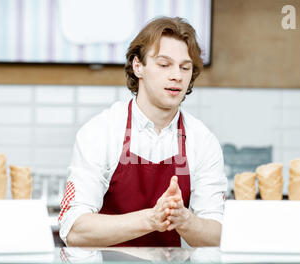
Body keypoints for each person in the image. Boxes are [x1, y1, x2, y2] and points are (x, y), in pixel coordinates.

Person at [58, 16, 227, 247]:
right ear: (138, 66)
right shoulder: (101, 131)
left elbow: (218, 235)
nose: (177, 75)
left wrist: (184, 220)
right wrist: (151, 219)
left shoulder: (202, 140)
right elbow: (74, 230)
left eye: (185, 67)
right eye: (164, 64)